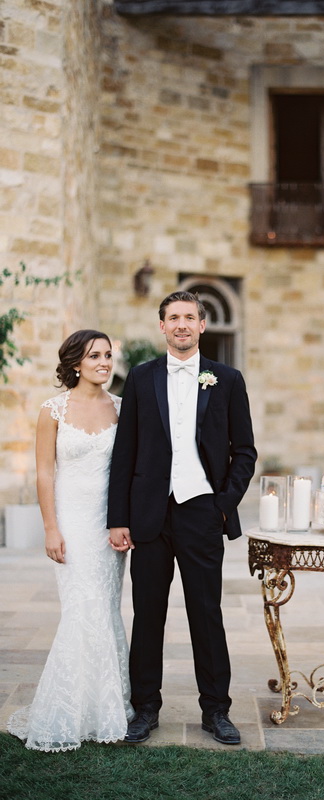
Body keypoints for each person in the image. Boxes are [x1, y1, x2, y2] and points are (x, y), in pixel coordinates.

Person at [107, 290, 256, 745]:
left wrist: (222, 504)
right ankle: (144, 709)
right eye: (173, 318)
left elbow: (245, 452)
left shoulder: (227, 379)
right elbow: (125, 451)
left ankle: (216, 711)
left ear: (202, 325)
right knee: (148, 615)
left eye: (190, 317)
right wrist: (118, 518)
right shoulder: (141, 377)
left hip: (202, 512)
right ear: (162, 326)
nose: (182, 325)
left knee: (206, 614)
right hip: (149, 515)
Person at [7, 330, 133, 751]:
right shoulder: (53, 409)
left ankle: (107, 705)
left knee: (107, 608)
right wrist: (50, 527)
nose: (104, 362)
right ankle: (67, 709)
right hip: (72, 522)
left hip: (108, 525)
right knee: (81, 608)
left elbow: (129, 470)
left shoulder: (122, 408)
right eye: (94, 355)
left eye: (108, 355)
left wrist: (125, 521)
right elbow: (45, 472)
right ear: (76, 363)